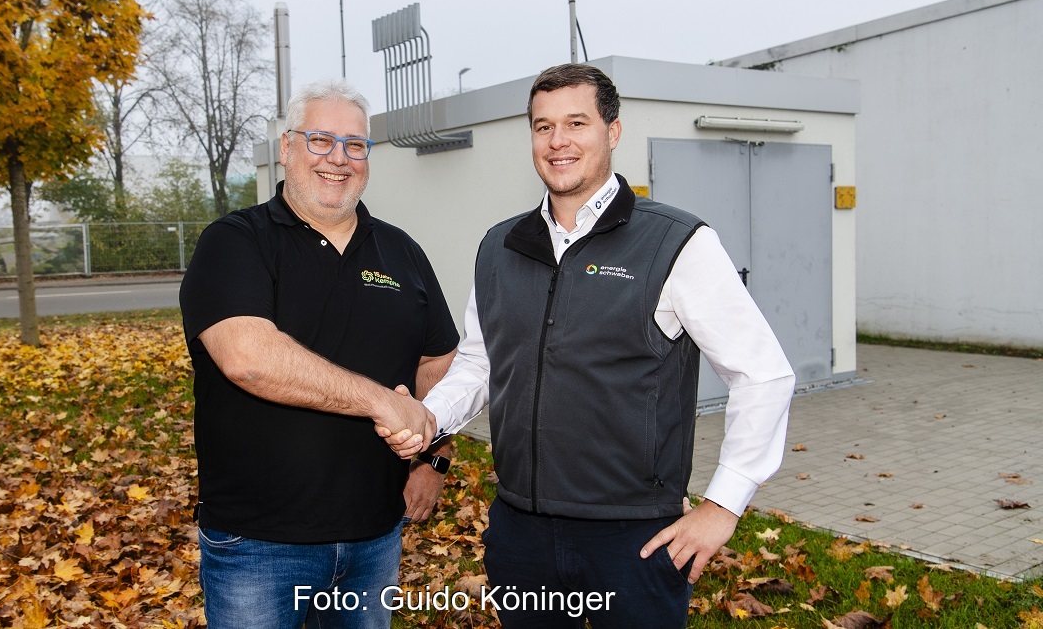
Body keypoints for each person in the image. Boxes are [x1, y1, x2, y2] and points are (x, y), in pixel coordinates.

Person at [382, 63, 794, 628]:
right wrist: (427, 417)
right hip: (521, 531)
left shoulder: (677, 243)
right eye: (542, 126)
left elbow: (764, 374)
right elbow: (481, 364)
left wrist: (723, 505)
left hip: (634, 538)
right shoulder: (498, 247)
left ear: (613, 132)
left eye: (576, 122)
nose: (558, 142)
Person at [180, 77, 459, 629]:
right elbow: (249, 356)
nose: (339, 158)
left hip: (375, 538)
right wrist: (380, 401)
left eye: (356, 145)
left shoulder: (402, 251)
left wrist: (434, 458)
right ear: (286, 148)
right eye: (320, 140)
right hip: (259, 545)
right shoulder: (235, 242)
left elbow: (439, 362)